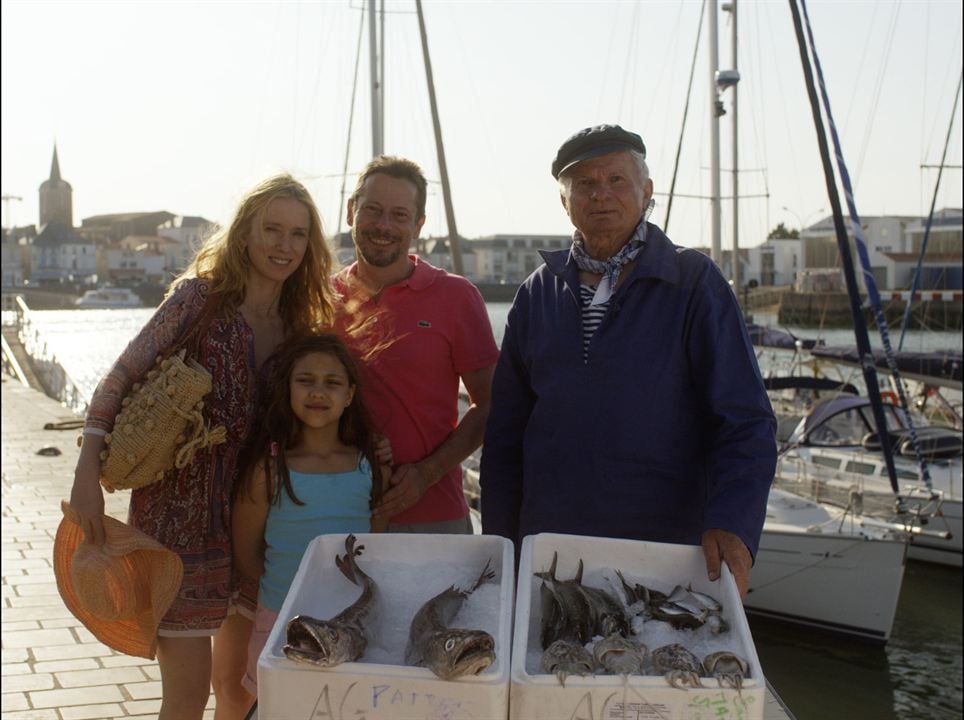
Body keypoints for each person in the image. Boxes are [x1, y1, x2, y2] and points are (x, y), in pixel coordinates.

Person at [69, 173, 336, 720]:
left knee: (238, 693)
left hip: (254, 526)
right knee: (186, 700)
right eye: (272, 229)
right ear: (244, 234)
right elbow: (118, 379)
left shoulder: (299, 326)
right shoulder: (199, 301)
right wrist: (85, 475)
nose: (284, 245)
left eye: (298, 234)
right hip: (176, 524)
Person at [480, 125, 776, 596]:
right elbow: (505, 435)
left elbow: (744, 420)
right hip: (550, 554)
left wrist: (732, 522)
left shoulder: (693, 282)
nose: (601, 195)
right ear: (565, 201)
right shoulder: (538, 292)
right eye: (585, 184)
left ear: (646, 191)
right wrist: (498, 542)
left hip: (664, 554)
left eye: (616, 180)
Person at [332, 155, 499, 532]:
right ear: (350, 211)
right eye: (372, 210)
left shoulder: (457, 297)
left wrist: (426, 473)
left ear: (419, 225)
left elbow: (490, 402)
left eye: (400, 215)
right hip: (337, 513)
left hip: (435, 517)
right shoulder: (321, 299)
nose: (383, 225)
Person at [232, 331, 390, 695]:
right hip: (283, 621)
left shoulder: (369, 466)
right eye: (305, 381)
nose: (318, 392)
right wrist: (294, 590)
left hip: (354, 623)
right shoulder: (268, 470)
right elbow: (247, 555)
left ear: (349, 394)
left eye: (332, 383)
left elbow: (376, 543)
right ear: (288, 389)